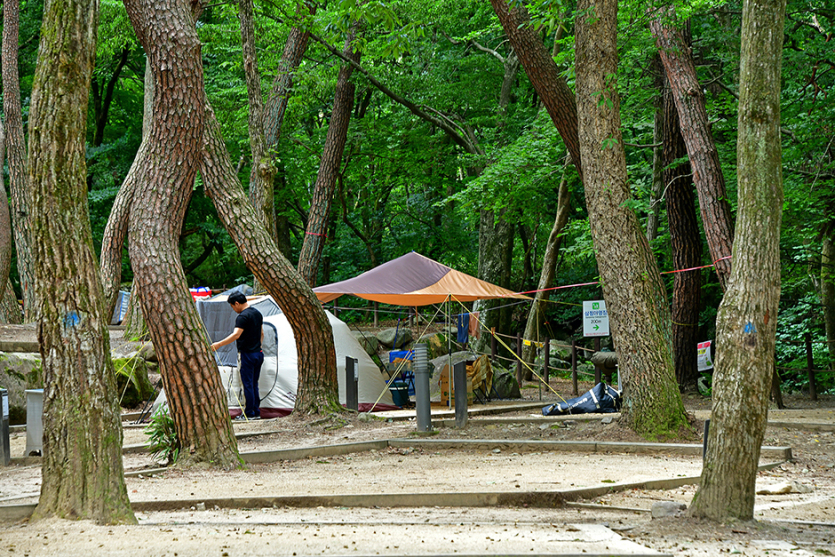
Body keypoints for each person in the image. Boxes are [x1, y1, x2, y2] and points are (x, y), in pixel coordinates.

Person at [211, 292, 264, 420]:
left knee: (247, 384)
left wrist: (218, 344)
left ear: (236, 303)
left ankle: (249, 413)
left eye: (232, 307)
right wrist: (258, 347)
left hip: (247, 355)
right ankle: (256, 411)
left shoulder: (242, 317)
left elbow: (236, 334)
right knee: (254, 383)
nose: (233, 309)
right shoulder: (257, 313)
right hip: (259, 353)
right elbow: (261, 333)